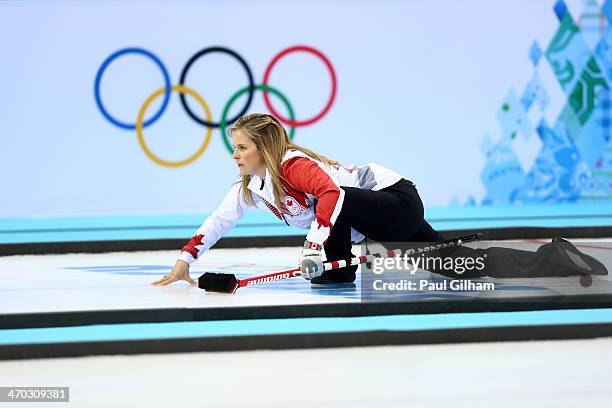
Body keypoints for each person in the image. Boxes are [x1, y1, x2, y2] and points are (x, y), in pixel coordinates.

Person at [152, 113, 607, 286]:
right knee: (457, 265)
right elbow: (218, 219)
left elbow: (332, 195)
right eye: (234, 147)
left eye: (241, 148)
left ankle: (337, 266)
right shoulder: (251, 187)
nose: (234, 155)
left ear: (263, 149)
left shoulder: (291, 165)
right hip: (375, 218)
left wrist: (316, 247)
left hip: (395, 200)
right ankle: (557, 258)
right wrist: (184, 261)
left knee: (335, 208)